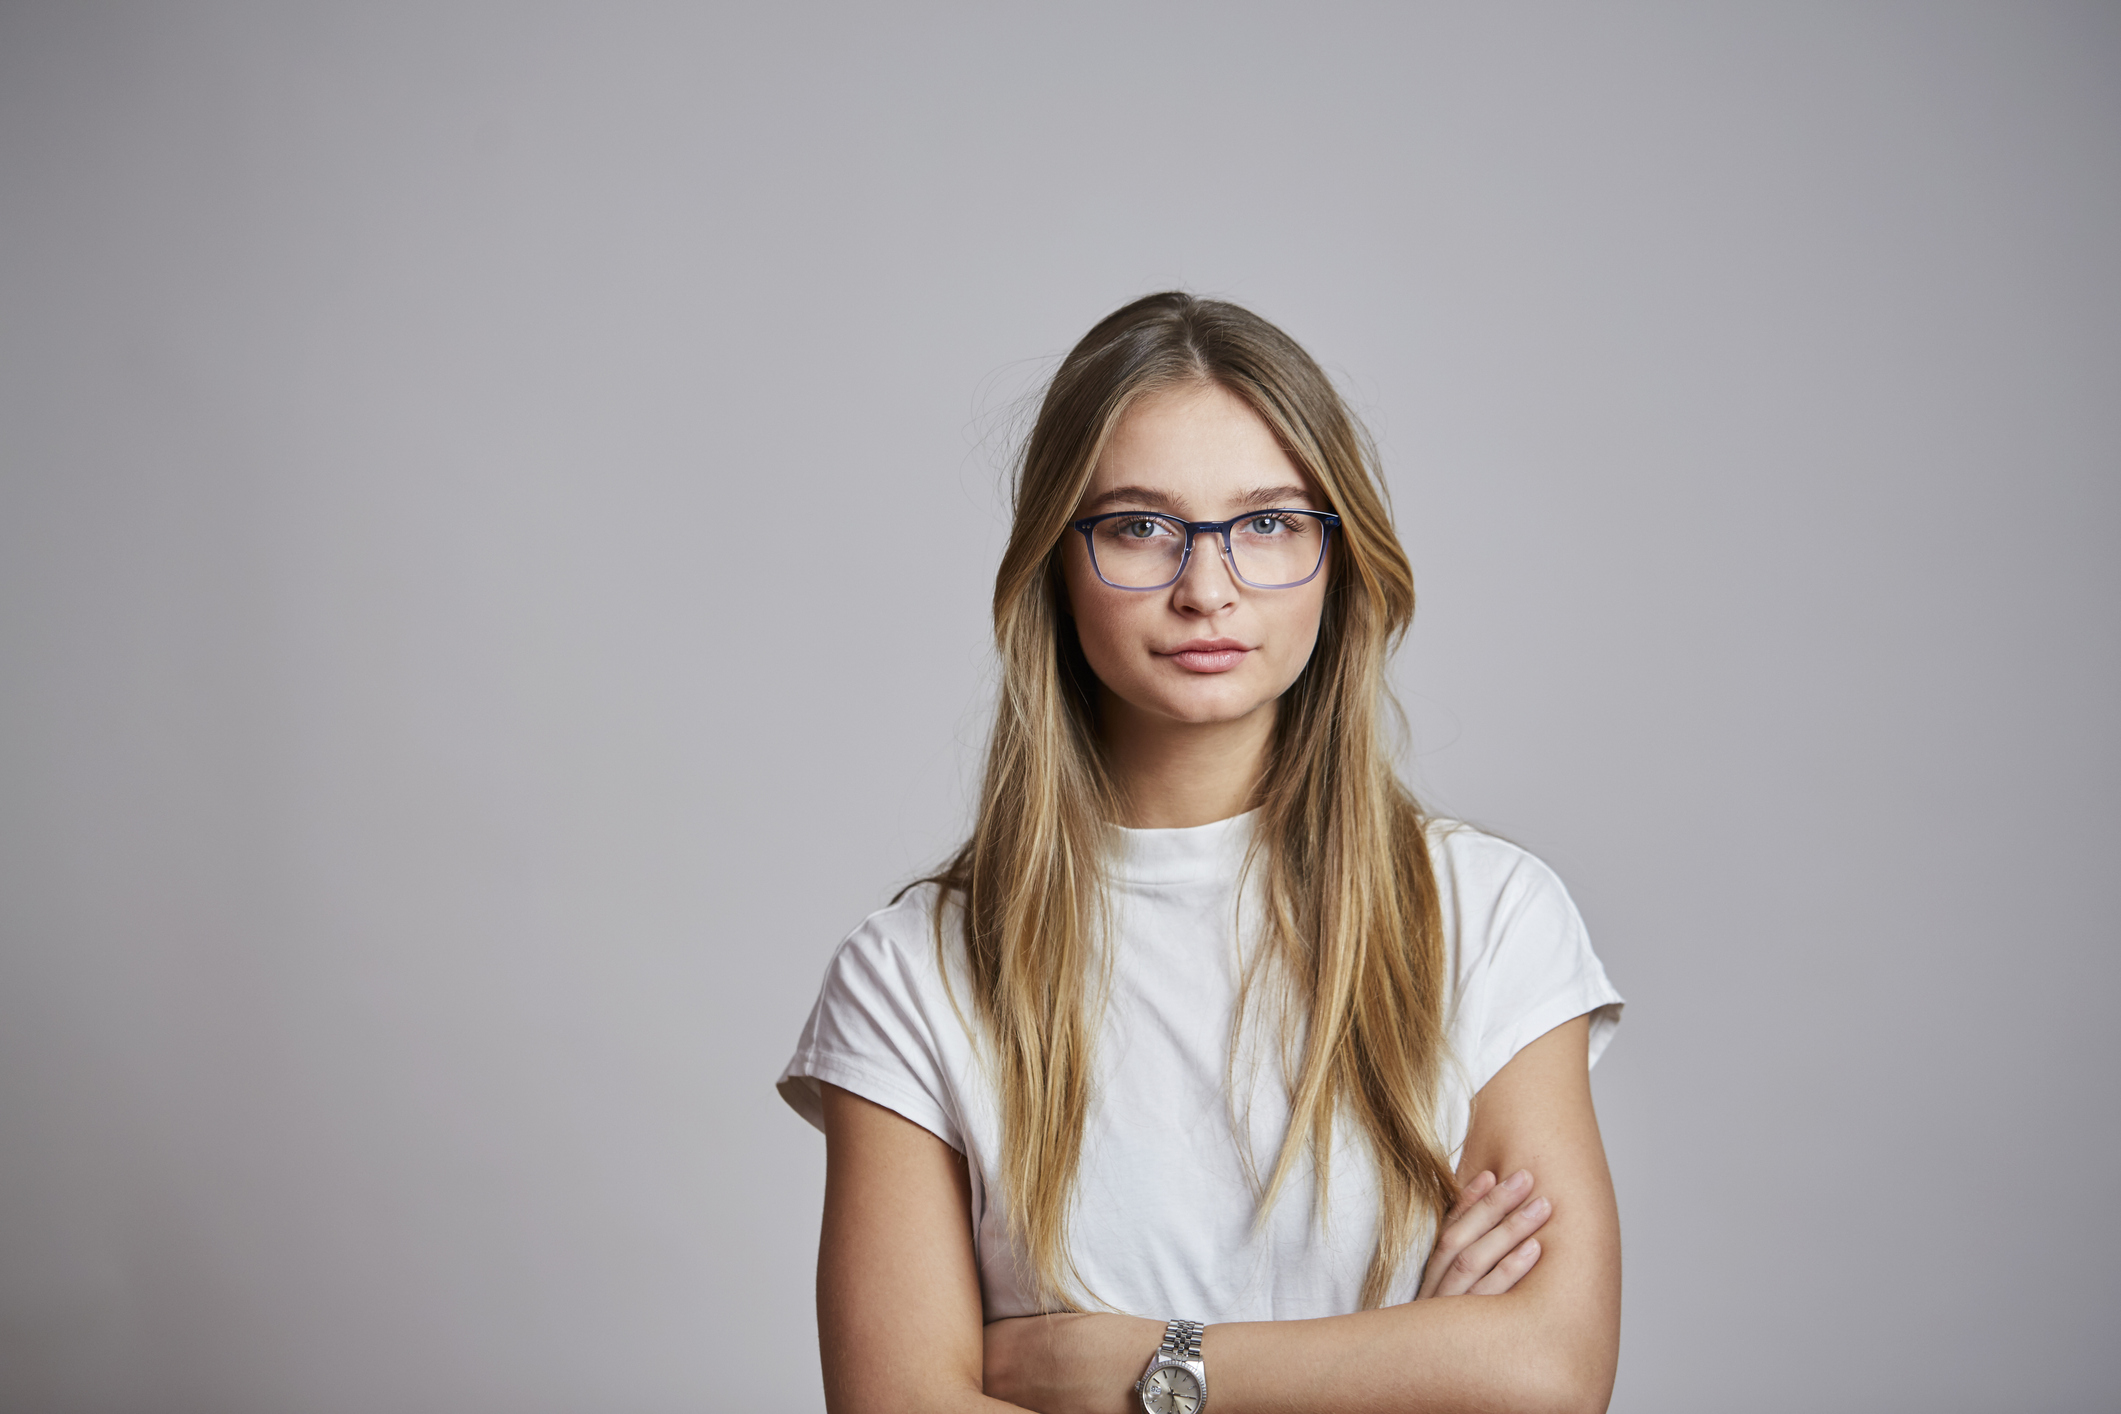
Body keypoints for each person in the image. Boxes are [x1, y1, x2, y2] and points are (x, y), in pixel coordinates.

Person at [776, 293, 1625, 1414]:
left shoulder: (1487, 914)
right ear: (1056, 561)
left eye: (1268, 522)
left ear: (1337, 553)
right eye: (1139, 525)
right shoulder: (910, 976)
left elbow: (1547, 1377)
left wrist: (1140, 1364)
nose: (1207, 586)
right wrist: (1400, 1364)